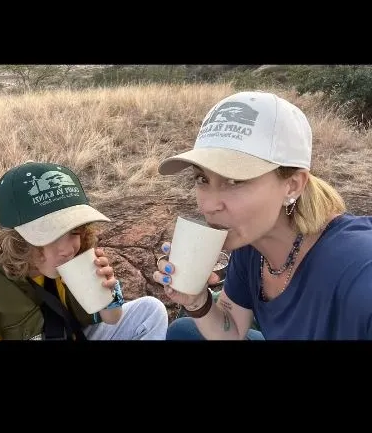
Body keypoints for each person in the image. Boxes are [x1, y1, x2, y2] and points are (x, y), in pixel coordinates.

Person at [153, 90, 372, 340]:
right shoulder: (252, 245)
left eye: (235, 180)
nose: (208, 206)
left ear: (292, 185)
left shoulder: (360, 272)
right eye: (202, 178)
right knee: (185, 330)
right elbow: (233, 330)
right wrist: (197, 302)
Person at [0, 161, 168, 340]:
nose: (67, 249)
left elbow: (112, 318)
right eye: (49, 234)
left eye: (74, 231)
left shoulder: (74, 260)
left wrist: (109, 296)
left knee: (151, 311)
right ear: (15, 239)